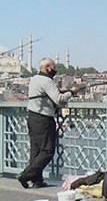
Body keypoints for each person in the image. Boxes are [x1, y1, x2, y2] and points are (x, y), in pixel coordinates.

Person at [17, 57, 79, 189]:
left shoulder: (34, 79)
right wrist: (71, 92)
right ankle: (25, 175)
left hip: (32, 117)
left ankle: (37, 181)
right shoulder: (47, 80)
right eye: (53, 67)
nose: (55, 69)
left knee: (36, 150)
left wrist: (60, 91)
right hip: (43, 119)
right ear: (47, 68)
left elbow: (44, 94)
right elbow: (58, 99)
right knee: (47, 151)